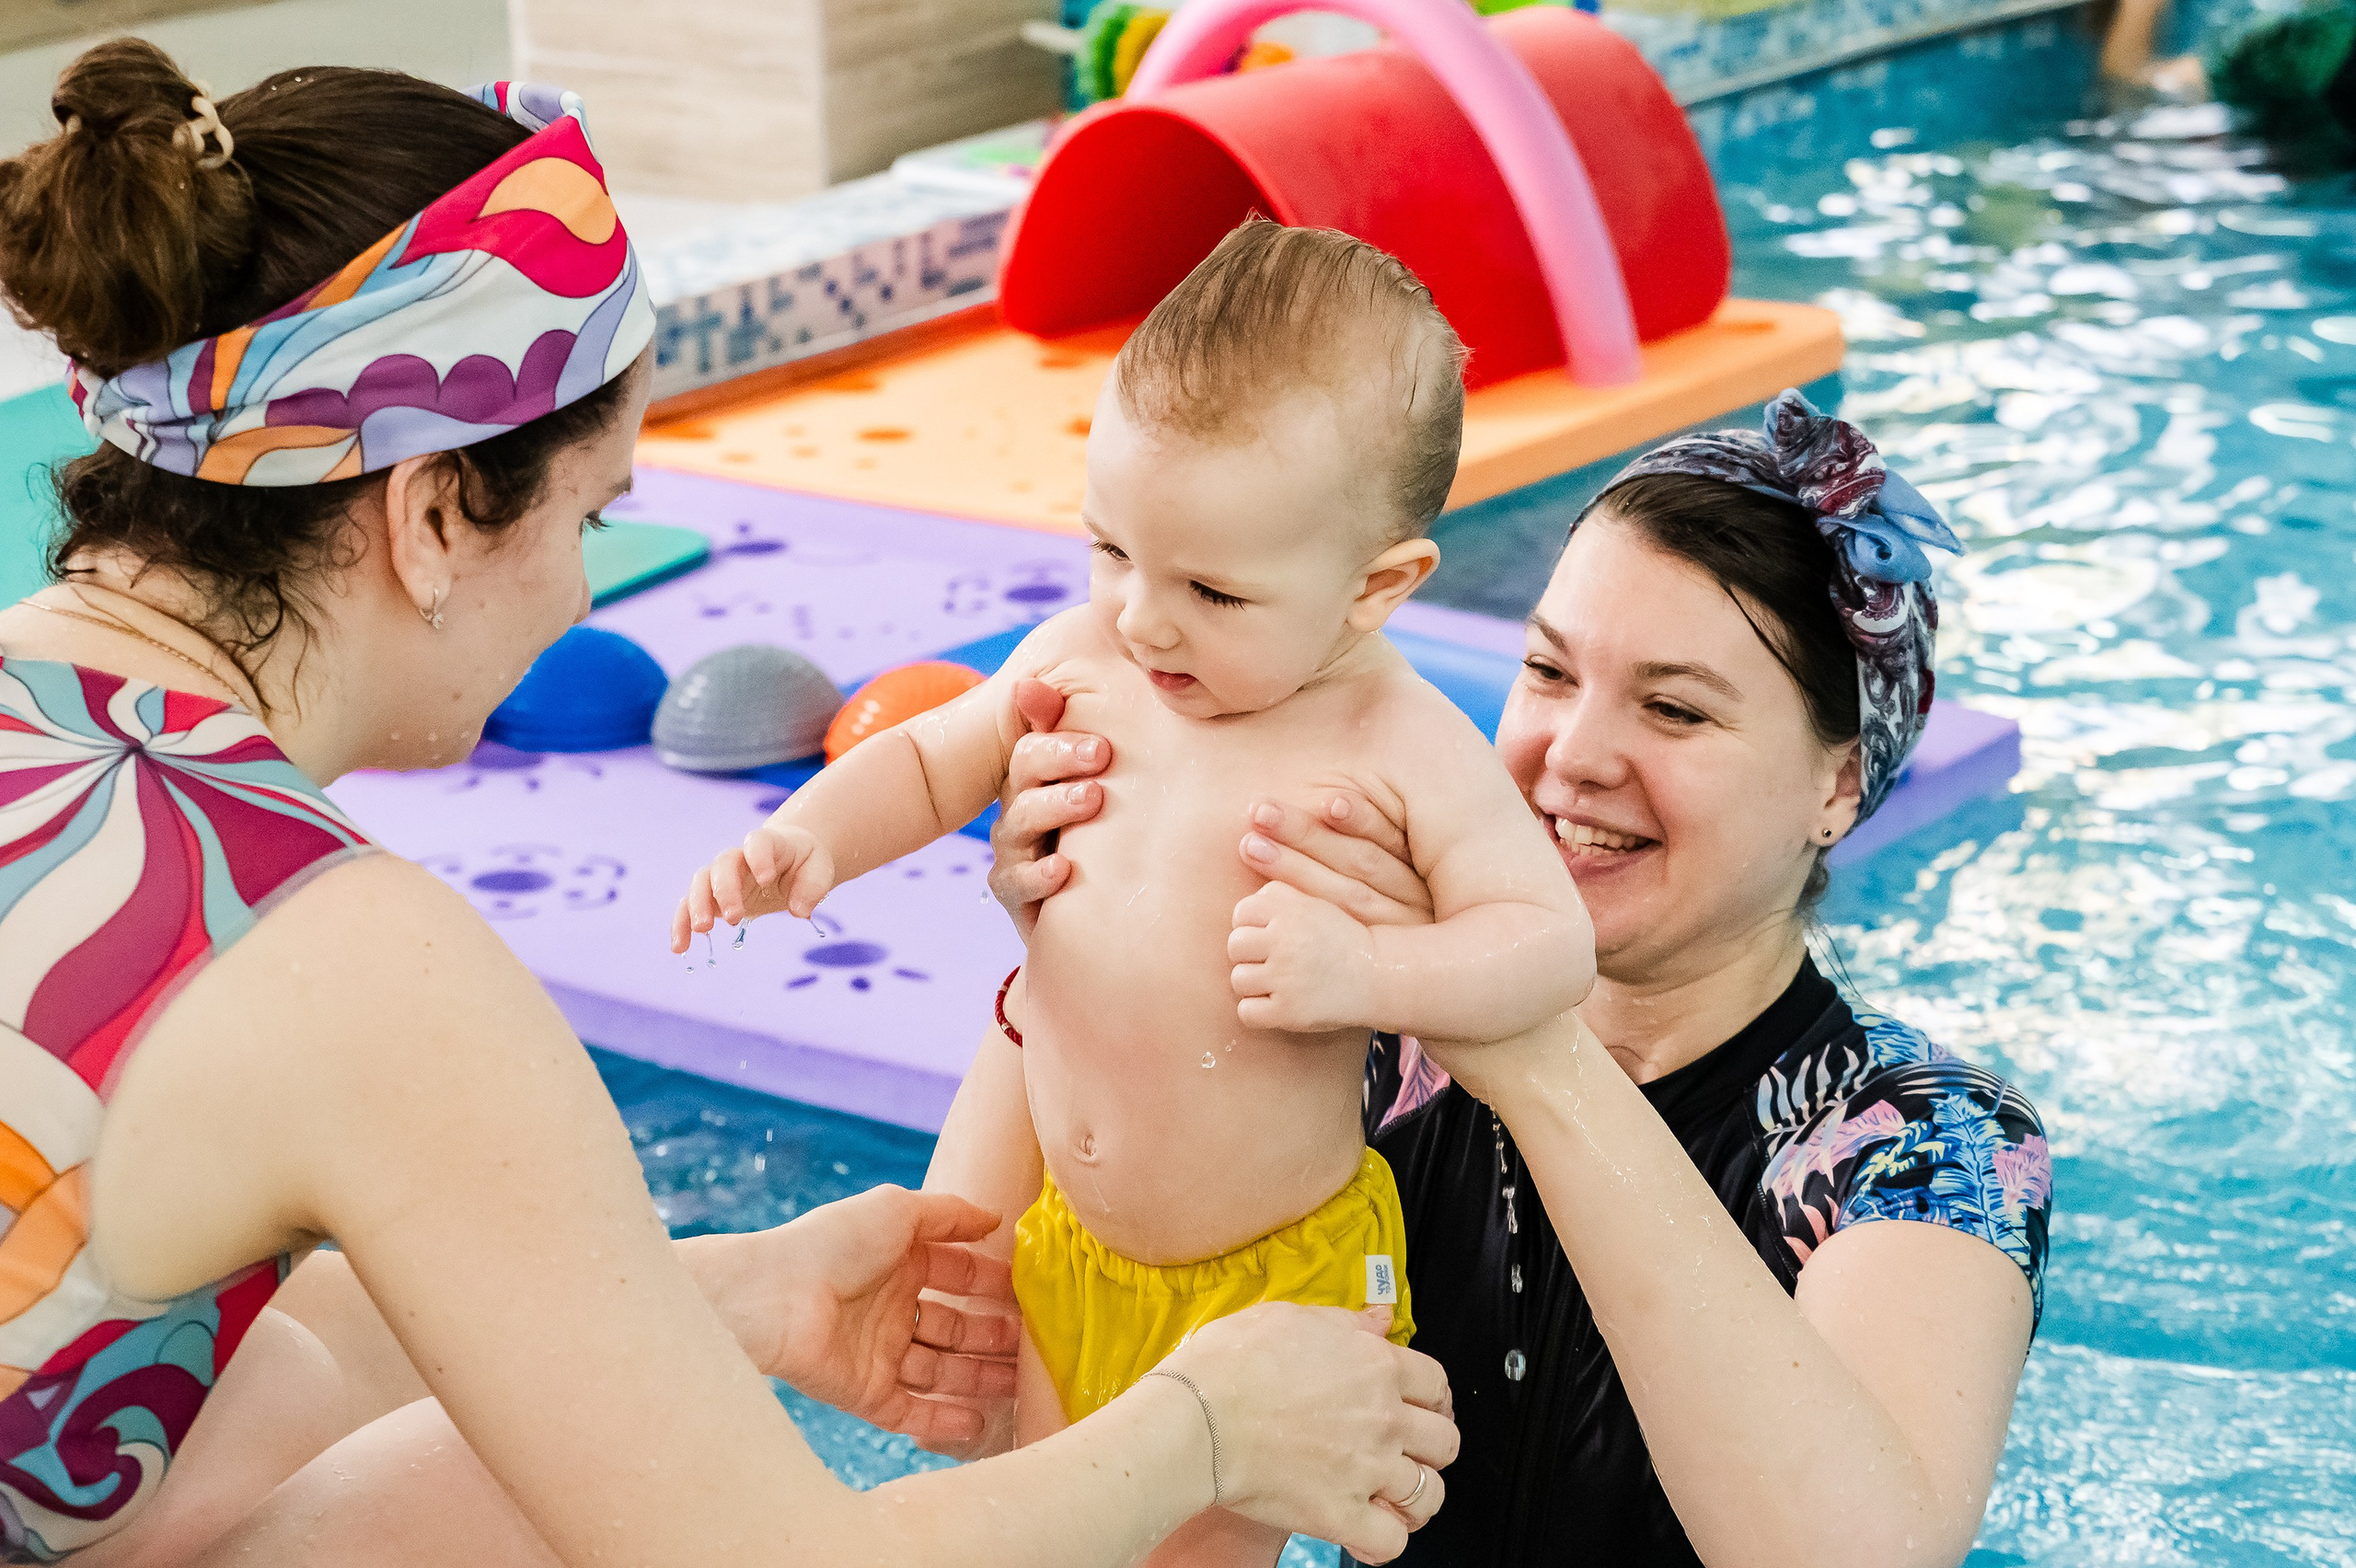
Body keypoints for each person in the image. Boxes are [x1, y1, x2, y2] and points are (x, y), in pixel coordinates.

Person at [0, 42, 1457, 1568]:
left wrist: (726, 1296)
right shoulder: (348, 957)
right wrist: (1202, 1424)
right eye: (592, 514)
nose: (580, 585)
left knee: (514, 1472)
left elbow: (200, 1384)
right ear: (434, 516)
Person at [976, 390, 2055, 1567]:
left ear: (1837, 787)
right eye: (1547, 671)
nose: (1571, 756)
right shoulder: (1346, 1015)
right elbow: (975, 1390)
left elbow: (1855, 1554)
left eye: (1675, 709)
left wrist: (1528, 1048)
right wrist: (1080, 932)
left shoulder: (1923, 1141)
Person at [675, 220, 1584, 1568]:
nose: (1145, 620)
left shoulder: (1395, 746)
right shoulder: (1093, 655)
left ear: (1377, 586)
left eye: (1212, 589)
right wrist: (808, 839)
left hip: (1266, 1289)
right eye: (1112, 552)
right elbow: (931, 758)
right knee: (1050, 1524)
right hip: (1073, 1244)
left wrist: (1369, 979)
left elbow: (1546, 943)